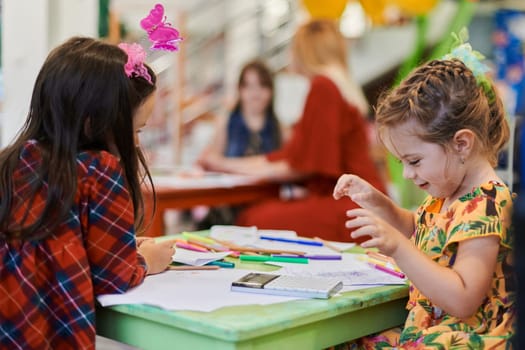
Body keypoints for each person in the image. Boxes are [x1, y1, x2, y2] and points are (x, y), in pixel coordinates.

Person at [0, 37, 175, 349]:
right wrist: (146, 259)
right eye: (136, 130)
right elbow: (113, 277)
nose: (135, 144)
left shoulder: (11, 161)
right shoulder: (99, 171)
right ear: (95, 122)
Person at [333, 54, 514, 347]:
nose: (406, 174)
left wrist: (397, 247)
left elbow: (463, 298)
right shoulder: (448, 195)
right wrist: (378, 203)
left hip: (464, 338)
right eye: (402, 162)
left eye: (414, 161)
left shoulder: (487, 204)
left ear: (461, 144)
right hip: (430, 330)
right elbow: (423, 230)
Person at [199, 19, 385, 242]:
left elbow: (298, 167)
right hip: (362, 198)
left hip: (350, 203)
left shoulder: (323, 87)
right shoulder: (337, 86)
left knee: (253, 219)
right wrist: (224, 164)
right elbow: (287, 159)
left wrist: (223, 164)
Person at [195, 60, 282, 228]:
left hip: (265, 208)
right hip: (227, 209)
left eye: (262, 86)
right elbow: (209, 159)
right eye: (249, 86)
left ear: (271, 90)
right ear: (240, 90)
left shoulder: (280, 129)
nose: (255, 93)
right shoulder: (226, 123)